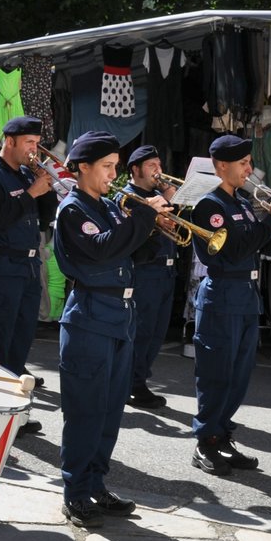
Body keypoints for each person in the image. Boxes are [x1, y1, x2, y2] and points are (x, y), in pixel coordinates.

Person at [52, 131, 167, 527]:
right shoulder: (73, 210)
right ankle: (76, 491)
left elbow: (135, 249)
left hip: (120, 315)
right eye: (106, 167)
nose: (113, 175)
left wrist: (156, 227)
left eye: (116, 167)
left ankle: (96, 483)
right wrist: (144, 219)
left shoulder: (109, 207)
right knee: (86, 411)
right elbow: (102, 248)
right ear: (83, 167)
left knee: (110, 410)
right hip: (90, 315)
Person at [189, 133, 271, 476]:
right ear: (221, 166)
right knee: (217, 373)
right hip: (222, 295)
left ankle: (223, 434)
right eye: (243, 163)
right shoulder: (210, 206)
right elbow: (232, 250)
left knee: (239, 375)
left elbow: (260, 246)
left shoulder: (243, 203)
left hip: (246, 297)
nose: (250, 169)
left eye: (249, 162)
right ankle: (205, 442)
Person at [0, 115, 58, 435]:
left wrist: (44, 187)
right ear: (9, 141)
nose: (35, 150)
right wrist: (30, 193)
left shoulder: (26, 174)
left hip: (28, 267)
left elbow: (45, 217)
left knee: (21, 342)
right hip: (1, 267)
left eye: (37, 144)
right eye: (30, 144)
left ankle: (14, 412)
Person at [122, 146, 179, 410]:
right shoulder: (129, 197)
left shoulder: (159, 195)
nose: (159, 170)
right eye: (151, 165)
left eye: (159, 164)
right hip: (144, 271)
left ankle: (140, 378)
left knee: (157, 333)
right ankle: (132, 383)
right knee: (141, 331)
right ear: (135, 169)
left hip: (166, 271)